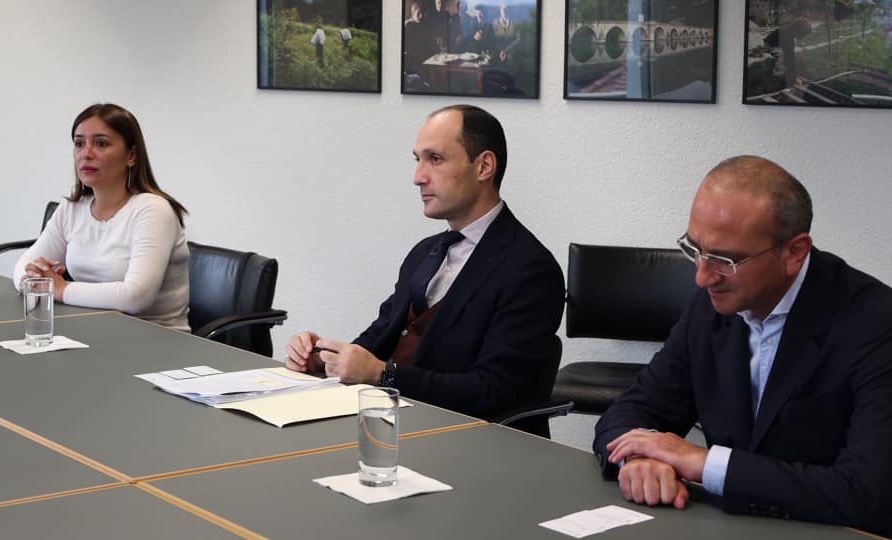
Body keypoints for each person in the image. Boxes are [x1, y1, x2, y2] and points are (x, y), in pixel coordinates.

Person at [593, 155, 892, 536]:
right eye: (694, 248)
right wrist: (640, 459)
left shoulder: (877, 325)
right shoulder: (712, 306)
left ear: (795, 251)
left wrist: (703, 464)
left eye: (725, 259)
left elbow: (865, 494)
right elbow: (632, 410)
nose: (702, 277)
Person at [285, 105, 564, 435]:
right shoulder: (424, 253)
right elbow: (379, 337)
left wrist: (382, 375)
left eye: (435, 159)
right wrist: (326, 359)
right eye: (418, 159)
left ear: (484, 166)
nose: (418, 177)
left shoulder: (531, 270)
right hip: (390, 426)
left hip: (461, 441)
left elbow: (494, 390)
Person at [13, 103, 190, 330]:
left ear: (132, 155)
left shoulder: (153, 210)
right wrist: (34, 279)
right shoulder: (72, 209)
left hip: (156, 337)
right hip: (95, 330)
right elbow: (24, 264)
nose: (86, 154)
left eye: (101, 143)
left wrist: (61, 289)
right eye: (79, 143)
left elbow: (136, 297)